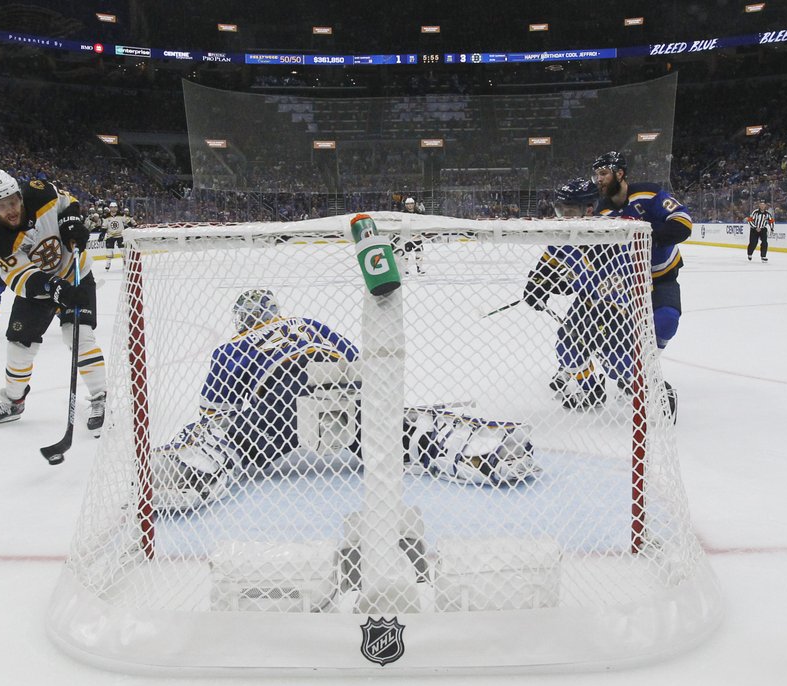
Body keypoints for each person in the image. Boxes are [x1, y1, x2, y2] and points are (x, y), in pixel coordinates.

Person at [151, 289, 540, 510]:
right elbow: (358, 360)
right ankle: (481, 449)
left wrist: (237, 423)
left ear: (241, 321)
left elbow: (214, 412)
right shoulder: (305, 323)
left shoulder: (232, 346)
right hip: (340, 389)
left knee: (223, 435)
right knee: (399, 430)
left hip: (279, 408)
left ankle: (186, 472)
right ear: (275, 312)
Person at [0, 169, 107, 433]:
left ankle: (100, 397)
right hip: (39, 290)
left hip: (75, 273)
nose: (10, 210)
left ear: (20, 195)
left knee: (78, 336)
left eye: (12, 201)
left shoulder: (40, 192)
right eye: (0, 206)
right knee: (19, 347)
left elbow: (68, 202)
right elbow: (20, 277)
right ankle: (14, 402)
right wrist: (53, 287)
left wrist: (70, 222)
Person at [592, 151, 687, 418]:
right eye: (596, 174)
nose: (598, 179)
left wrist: (647, 233)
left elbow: (683, 223)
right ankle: (635, 373)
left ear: (620, 173)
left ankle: (646, 366)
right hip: (625, 285)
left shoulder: (648, 194)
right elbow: (601, 256)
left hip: (662, 275)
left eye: (604, 173)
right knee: (616, 352)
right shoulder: (603, 211)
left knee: (667, 320)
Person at [524, 178, 632, 409]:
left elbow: (598, 275)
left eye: (570, 210)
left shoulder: (610, 232)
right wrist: (536, 284)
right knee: (567, 347)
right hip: (587, 302)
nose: (563, 216)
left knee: (616, 363)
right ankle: (591, 389)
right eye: (560, 209)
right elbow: (549, 262)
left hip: (617, 305)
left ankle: (648, 386)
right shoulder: (565, 233)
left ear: (589, 210)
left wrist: (562, 285)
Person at [102, 201, 127, 271]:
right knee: (109, 250)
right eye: (112, 207)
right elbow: (104, 227)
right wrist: (102, 234)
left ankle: (125, 264)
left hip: (120, 235)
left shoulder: (121, 215)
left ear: (117, 208)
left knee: (123, 251)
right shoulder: (106, 216)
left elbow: (127, 222)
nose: (113, 209)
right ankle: (108, 263)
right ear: (109, 208)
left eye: (115, 207)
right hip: (110, 236)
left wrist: (132, 226)